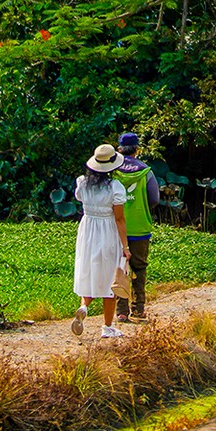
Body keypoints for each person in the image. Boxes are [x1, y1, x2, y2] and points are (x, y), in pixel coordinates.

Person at [71, 143, 131, 338]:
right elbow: (119, 219)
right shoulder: (115, 187)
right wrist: (125, 246)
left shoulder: (82, 183)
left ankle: (84, 307)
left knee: (90, 270)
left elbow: (81, 200)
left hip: (87, 229)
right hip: (107, 230)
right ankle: (107, 327)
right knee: (109, 278)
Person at [114, 132, 162, 322]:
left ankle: (122, 310)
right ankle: (139, 308)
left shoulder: (112, 170)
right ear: (137, 149)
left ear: (119, 149)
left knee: (120, 267)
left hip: (117, 228)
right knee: (139, 268)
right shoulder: (146, 171)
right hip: (140, 227)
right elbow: (154, 199)